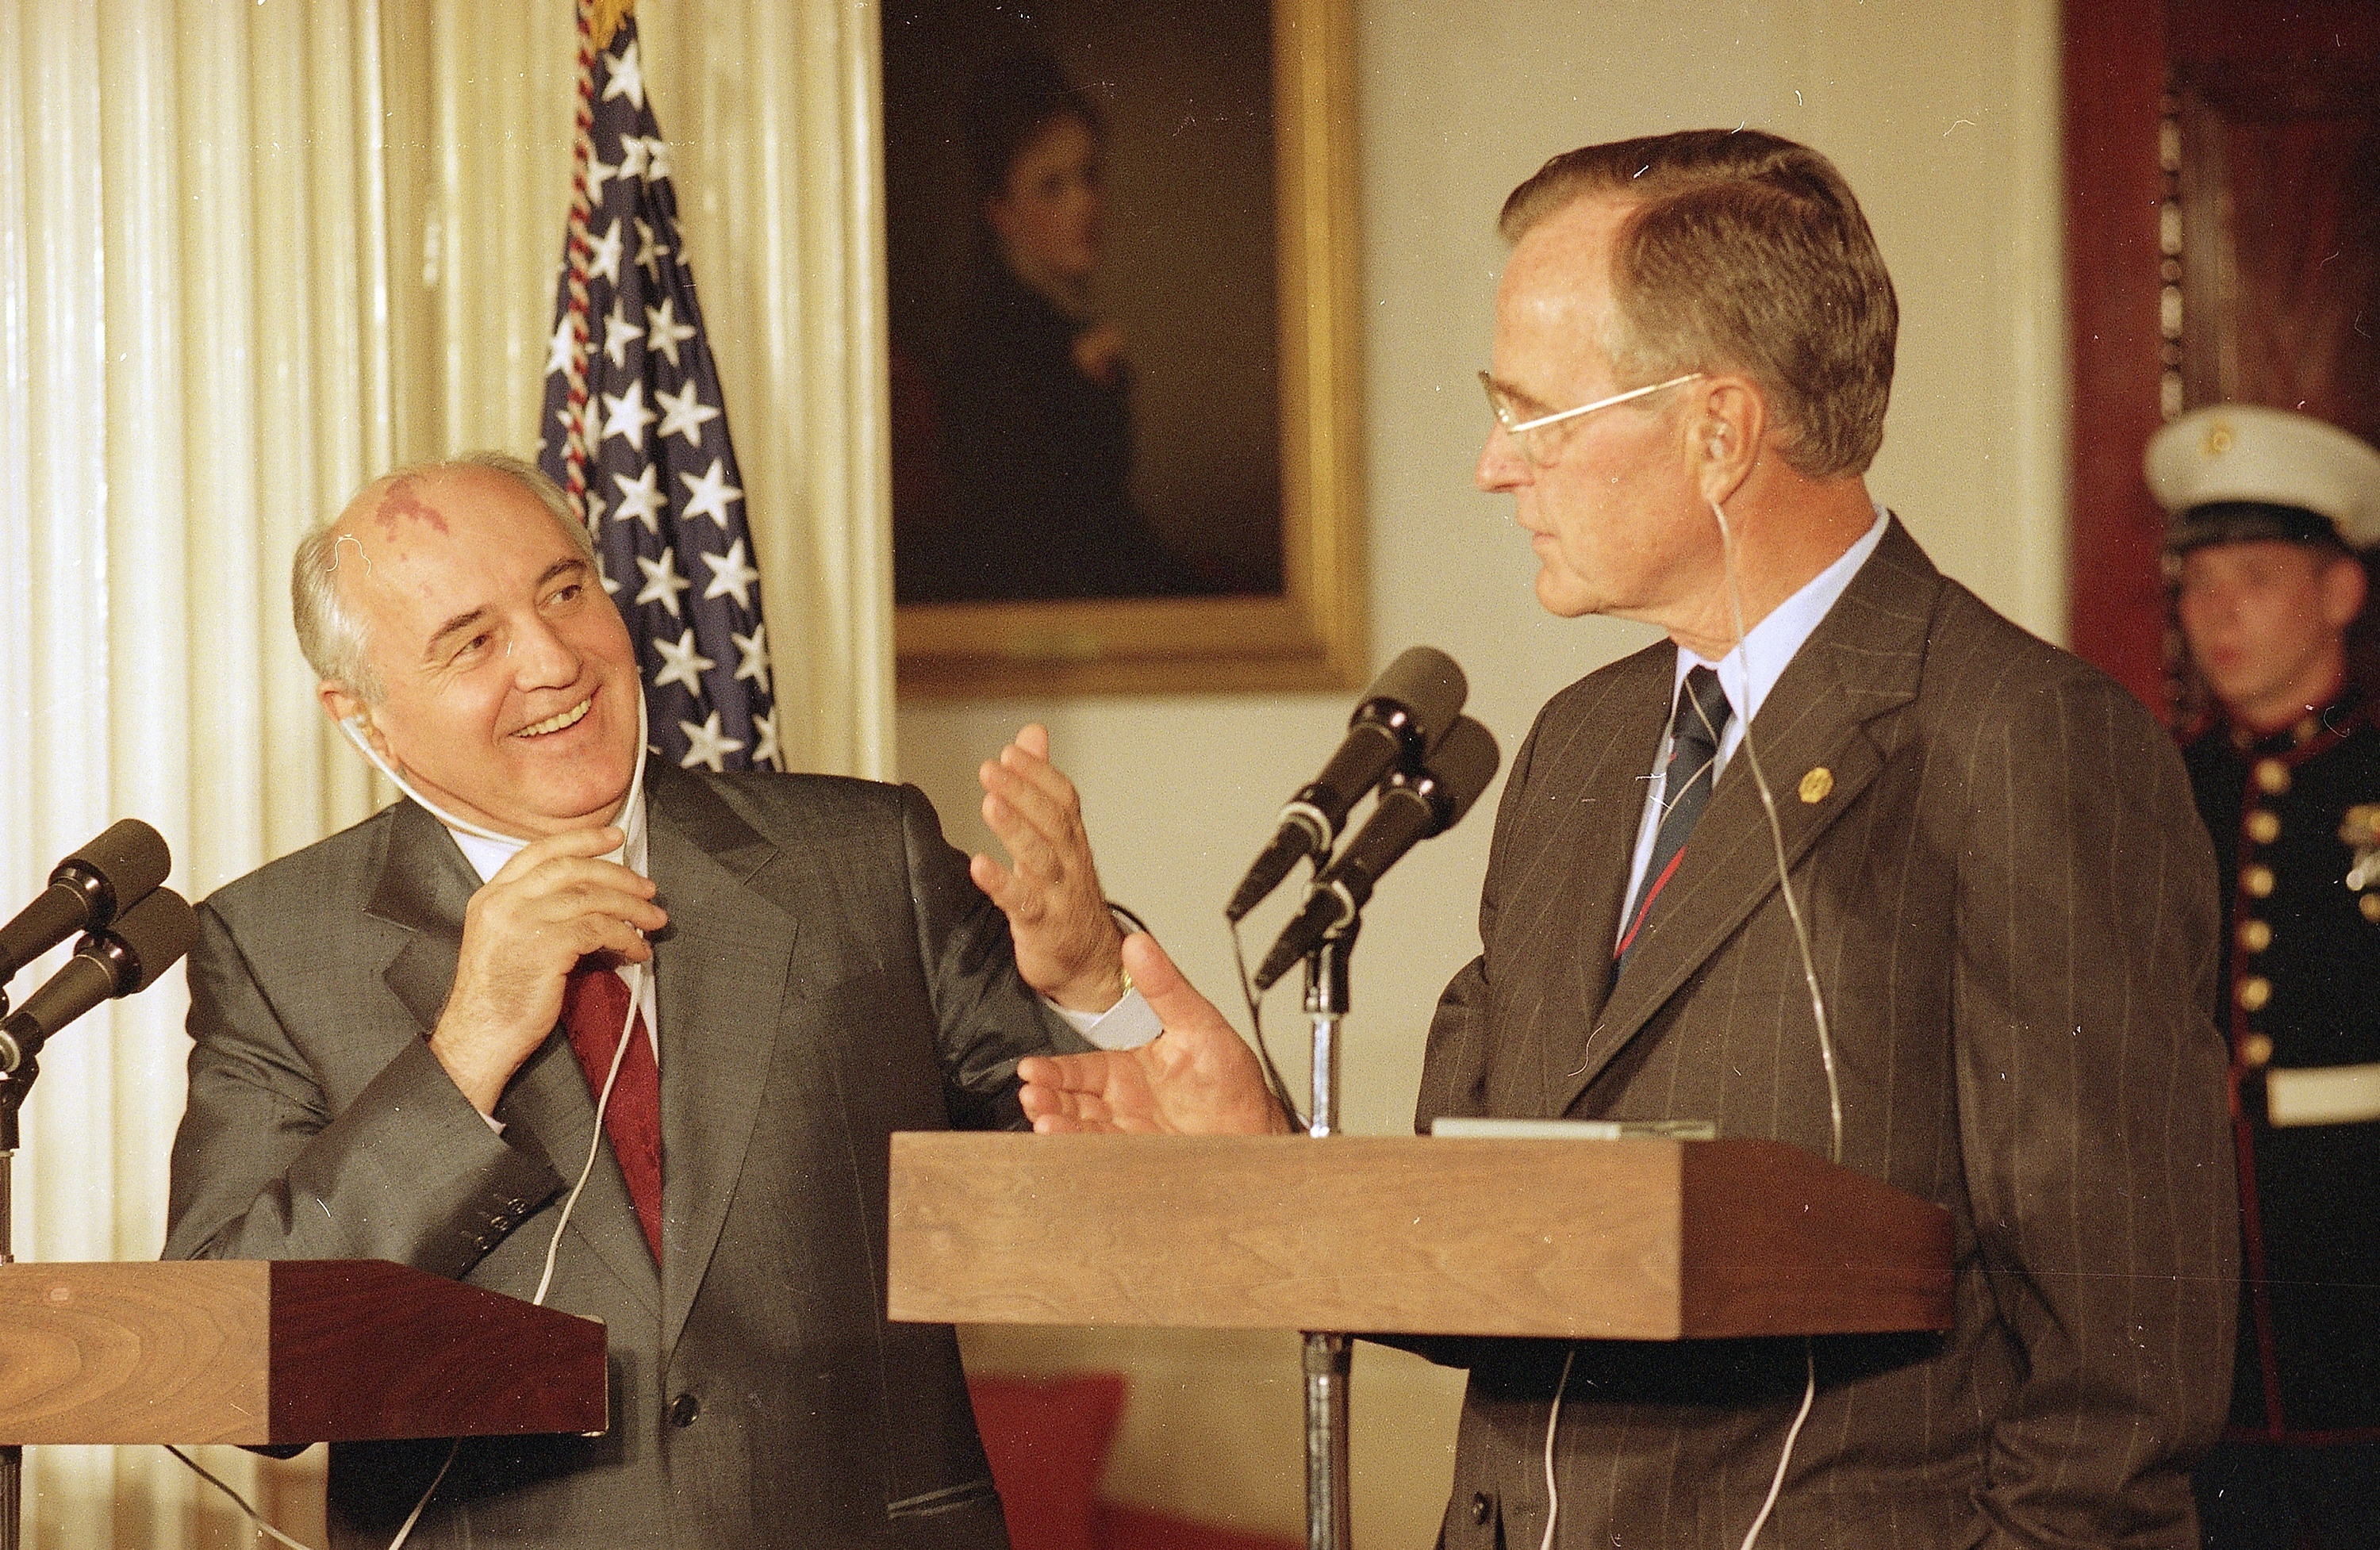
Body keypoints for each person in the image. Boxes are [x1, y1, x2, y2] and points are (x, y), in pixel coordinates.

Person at [1018, 130, 2240, 1546]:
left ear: (1718, 430)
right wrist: (1261, 1150)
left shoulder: (2019, 743)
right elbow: (1499, 1256)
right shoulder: (1582, 751)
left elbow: (2122, 1386)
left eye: (1534, 414)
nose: (1493, 465)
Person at [162, 452, 1155, 1548]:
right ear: (365, 719)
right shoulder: (273, 943)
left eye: (564, 590)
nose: (553, 659)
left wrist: (1097, 990)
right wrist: (464, 1052)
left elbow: (1127, 1202)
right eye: (474, 641)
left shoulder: (866, 860)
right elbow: (229, 1372)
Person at [2148, 404, 2380, 1548]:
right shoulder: (2165, 792)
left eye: (2256, 575)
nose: (2217, 613)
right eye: (2195, 582)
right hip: (2224, 1323)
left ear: (2339, 591)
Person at [894, 49, 1213, 604]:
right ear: (1001, 212)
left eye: (1089, 177)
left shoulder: (1056, 323)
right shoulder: (996, 346)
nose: (1085, 203)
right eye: (1052, 187)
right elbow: (1040, 543)